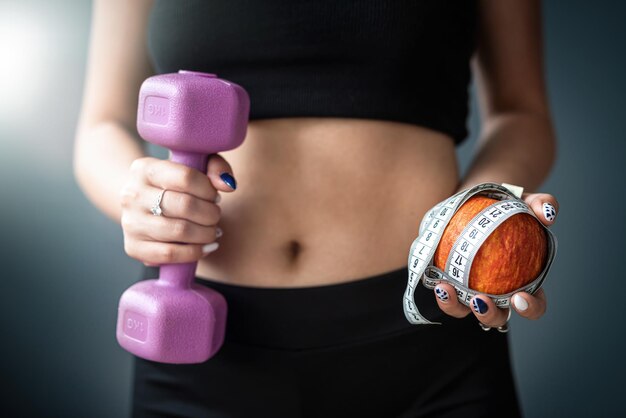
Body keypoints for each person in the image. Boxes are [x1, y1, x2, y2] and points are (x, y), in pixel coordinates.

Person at [73, 0, 559, 417]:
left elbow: (522, 112)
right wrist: (134, 196)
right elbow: (101, 126)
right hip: (192, 342)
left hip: (432, 334)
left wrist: (475, 215)